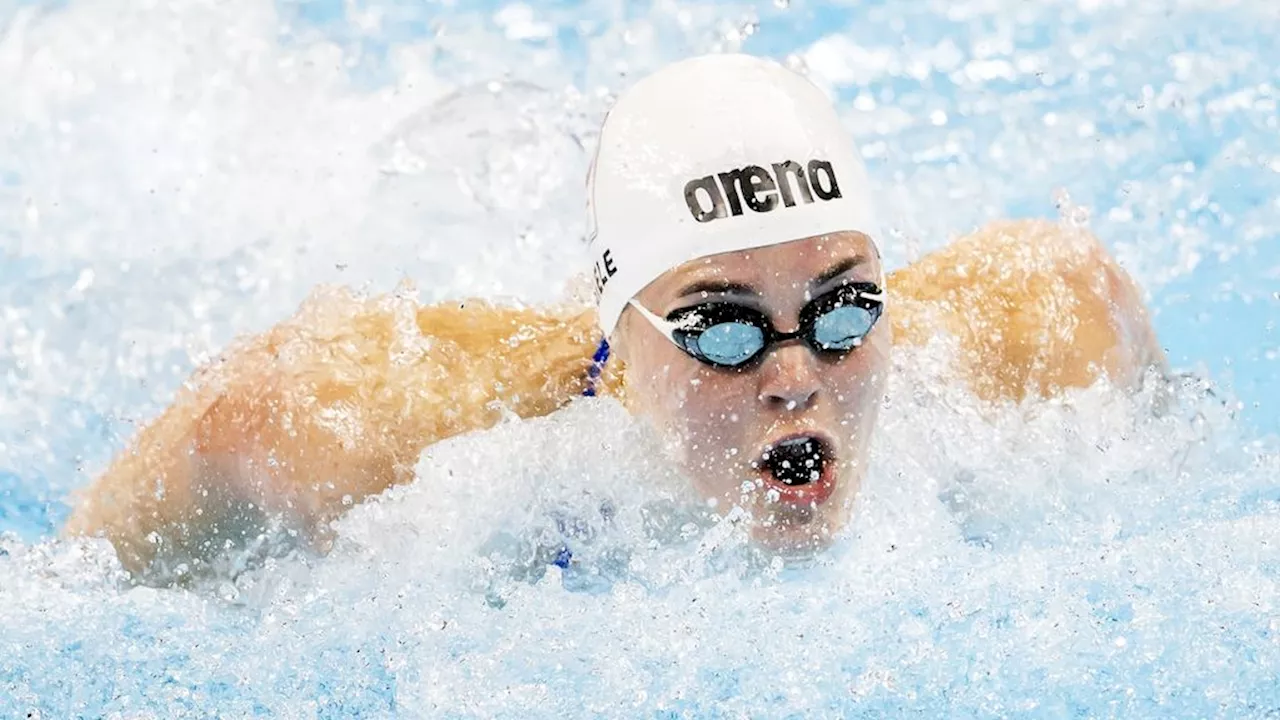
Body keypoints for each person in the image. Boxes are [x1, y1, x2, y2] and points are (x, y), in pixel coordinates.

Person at [63, 54, 1167, 581]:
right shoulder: (381, 426)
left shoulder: (1041, 326)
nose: (795, 375)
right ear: (619, 347)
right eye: (722, 329)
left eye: (840, 309)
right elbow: (87, 583)